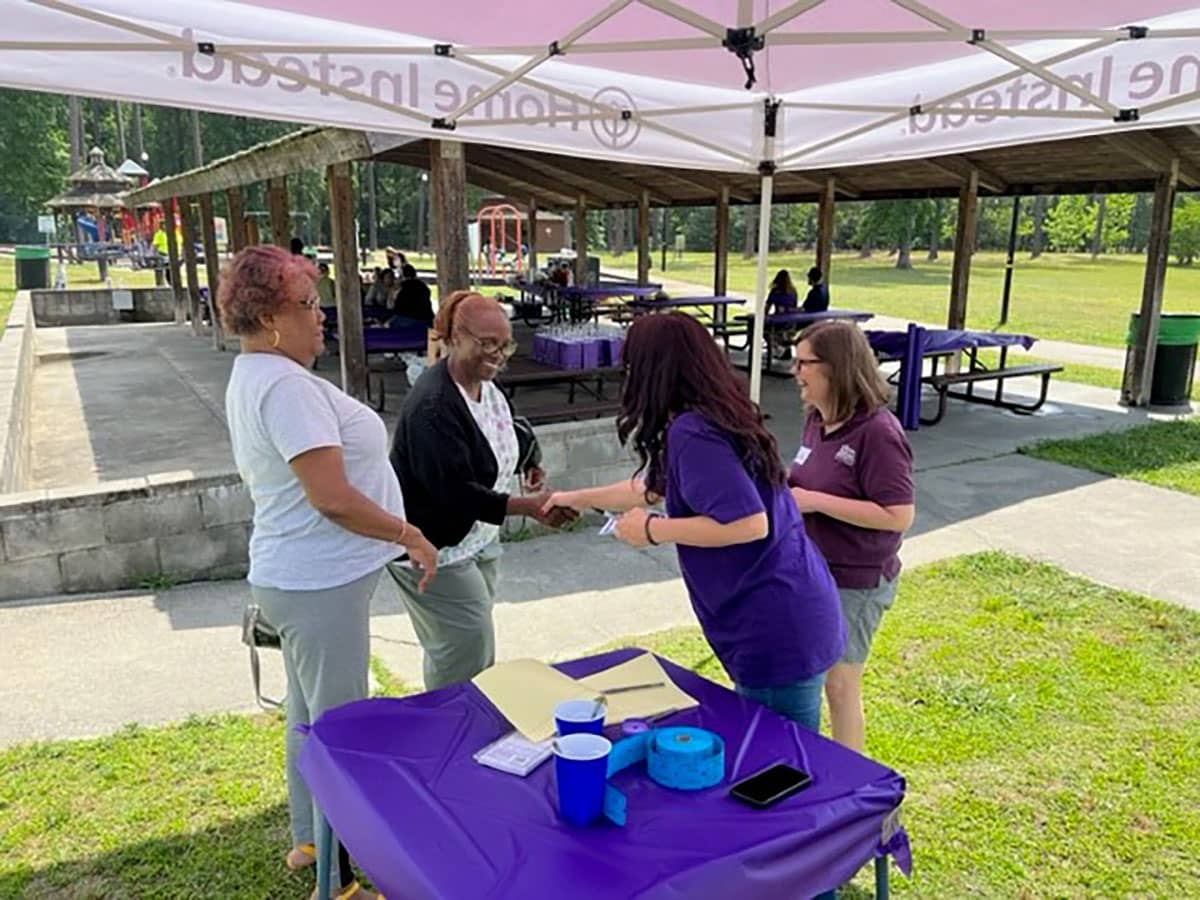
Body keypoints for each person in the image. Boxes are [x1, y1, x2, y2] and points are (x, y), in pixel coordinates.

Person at [219, 245, 436, 900]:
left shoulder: (260, 374)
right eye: (309, 306)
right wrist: (408, 534)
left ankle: (309, 842)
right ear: (270, 318)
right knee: (341, 737)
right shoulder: (284, 387)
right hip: (318, 587)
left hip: (297, 579)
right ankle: (335, 884)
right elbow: (332, 496)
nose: (323, 318)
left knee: (309, 722)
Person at [545, 314, 845, 732]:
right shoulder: (712, 416)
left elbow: (748, 523)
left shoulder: (693, 431)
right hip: (796, 608)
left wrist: (652, 530)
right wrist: (576, 497)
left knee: (781, 768)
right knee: (781, 758)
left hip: (774, 626)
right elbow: (653, 487)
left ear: (653, 369)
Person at [387, 291, 577, 689]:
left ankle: (460, 723)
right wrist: (528, 506)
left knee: (459, 646)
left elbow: (506, 426)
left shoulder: (484, 385)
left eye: (504, 343)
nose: (498, 353)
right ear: (453, 338)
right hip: (436, 545)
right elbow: (453, 492)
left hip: (478, 538)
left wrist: (530, 458)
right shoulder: (433, 407)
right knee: (466, 652)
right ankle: (451, 730)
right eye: (486, 343)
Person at [787, 320, 914, 753]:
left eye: (805, 363)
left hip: (857, 581)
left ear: (836, 368)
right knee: (815, 678)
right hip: (814, 572)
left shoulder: (879, 432)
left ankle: (850, 786)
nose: (795, 371)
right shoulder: (816, 421)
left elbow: (898, 515)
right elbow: (805, 478)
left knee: (840, 686)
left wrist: (816, 501)